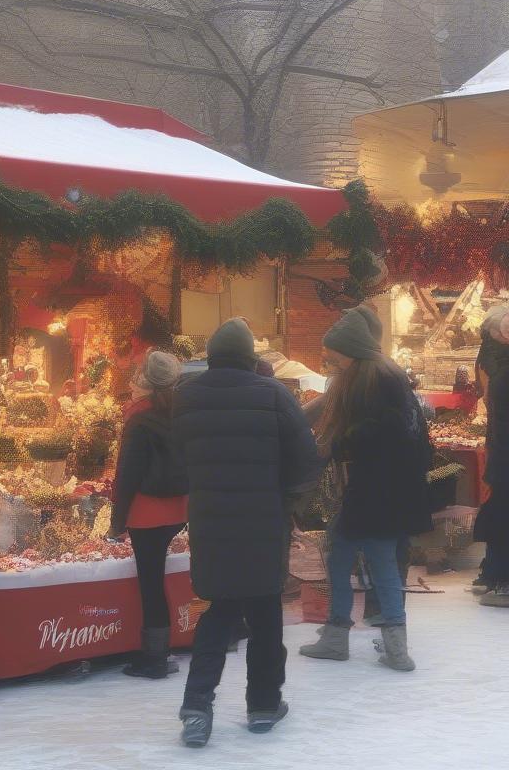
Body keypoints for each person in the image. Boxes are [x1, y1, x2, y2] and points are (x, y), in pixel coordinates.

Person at [172, 318, 319, 748]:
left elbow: (176, 459)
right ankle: (263, 704)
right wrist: (288, 502)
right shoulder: (273, 394)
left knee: (217, 611)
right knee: (265, 614)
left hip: (210, 523)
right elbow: (306, 459)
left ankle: (197, 707)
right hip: (263, 524)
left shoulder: (186, 396)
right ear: (250, 358)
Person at [299, 307, 432, 671]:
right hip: (391, 490)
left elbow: (379, 433)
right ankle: (391, 645)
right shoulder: (380, 374)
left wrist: (342, 442)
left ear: (351, 349)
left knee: (355, 556)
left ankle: (341, 637)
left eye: (333, 352)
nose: (329, 359)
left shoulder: (370, 379)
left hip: (375, 490)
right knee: (363, 557)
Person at [109, 350, 187, 679]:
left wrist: (116, 522)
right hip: (179, 508)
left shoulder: (138, 420)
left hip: (146, 513)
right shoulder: (184, 413)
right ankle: (162, 647)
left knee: (151, 584)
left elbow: (127, 475)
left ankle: (155, 656)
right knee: (159, 580)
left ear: (147, 381)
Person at [473, 308, 509, 607]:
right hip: (501, 453)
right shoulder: (496, 363)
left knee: (501, 514)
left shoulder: (498, 366)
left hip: (503, 455)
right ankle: (496, 575)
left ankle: (499, 578)